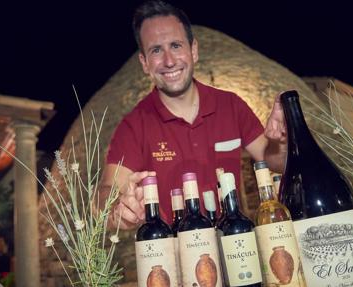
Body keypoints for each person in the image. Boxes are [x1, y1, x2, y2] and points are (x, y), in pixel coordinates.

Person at [100, 0, 269, 230]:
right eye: (156, 50)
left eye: (176, 46)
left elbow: (274, 159)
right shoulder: (134, 126)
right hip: (174, 257)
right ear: (144, 63)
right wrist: (118, 208)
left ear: (194, 50)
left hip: (236, 247)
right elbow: (107, 191)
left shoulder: (231, 105)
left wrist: (284, 139)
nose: (169, 61)